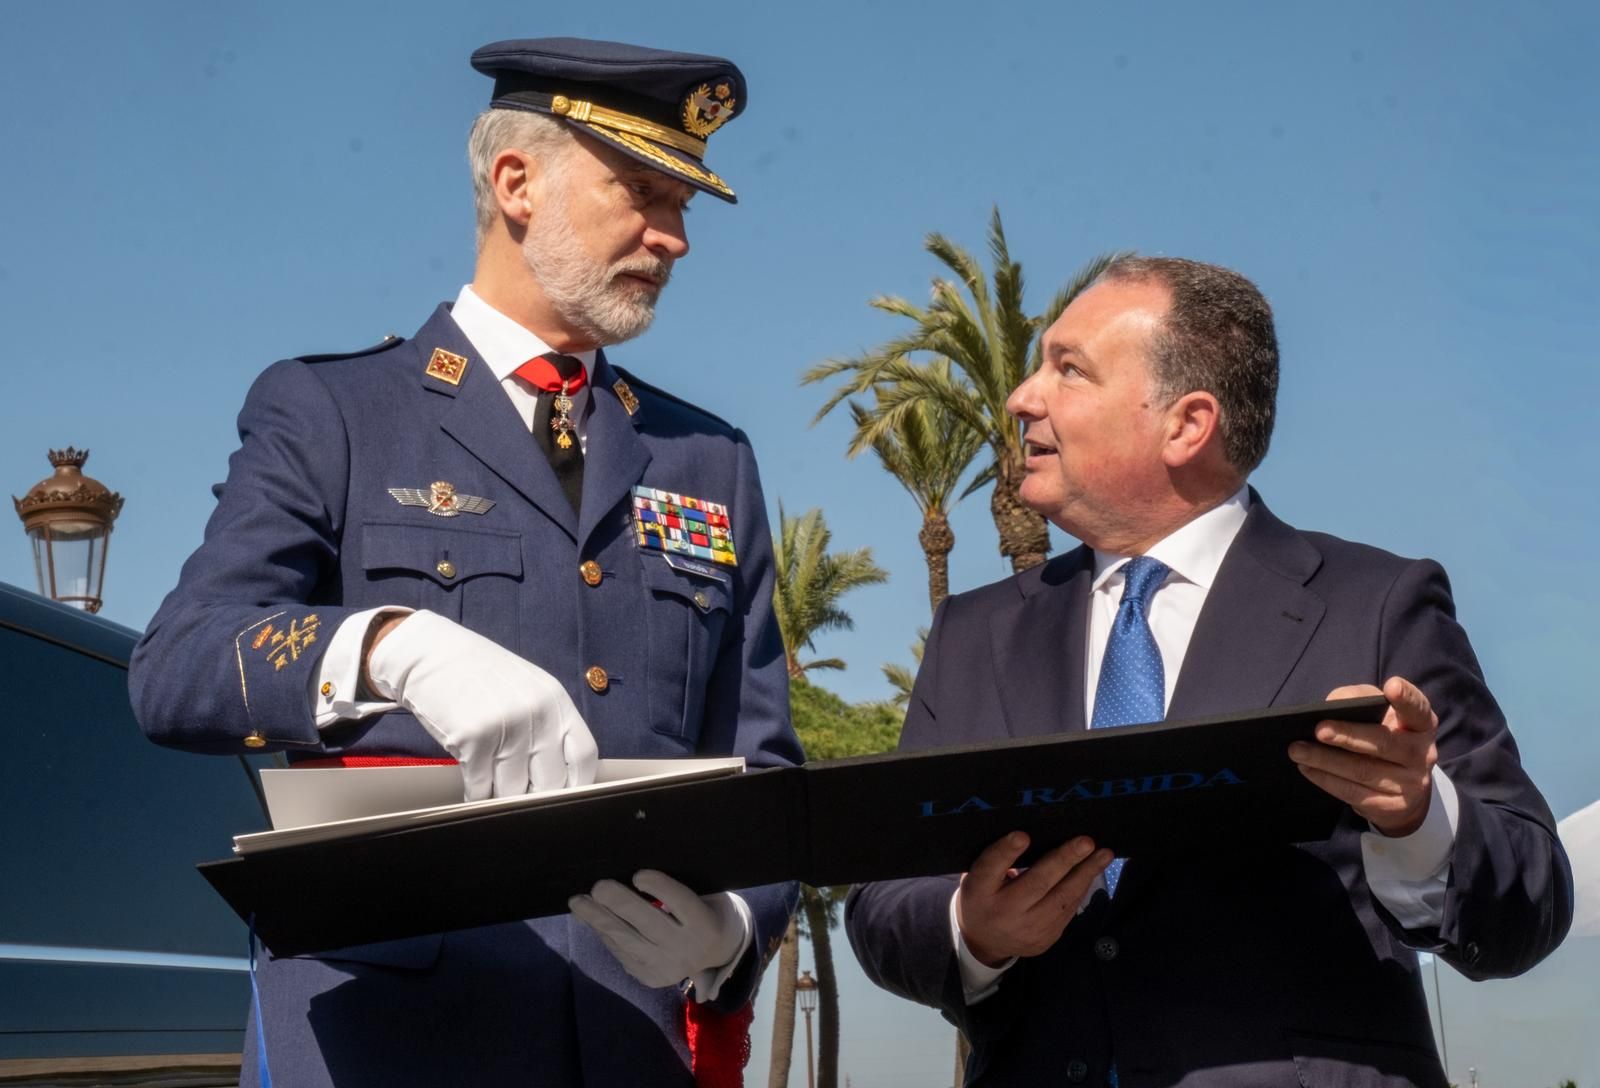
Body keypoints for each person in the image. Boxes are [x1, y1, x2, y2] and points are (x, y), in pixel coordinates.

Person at [129, 37, 800, 1088]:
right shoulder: (337, 413)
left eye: (683, 207)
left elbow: (764, 772)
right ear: (514, 181)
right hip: (385, 1046)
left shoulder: (709, 460)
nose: (672, 238)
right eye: (641, 192)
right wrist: (390, 644)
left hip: (631, 1042)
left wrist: (723, 933)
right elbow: (177, 667)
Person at [844, 257, 1572, 1087]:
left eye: (1068, 370)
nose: (1021, 397)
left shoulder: (1375, 604)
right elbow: (881, 903)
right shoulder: (972, 634)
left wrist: (1418, 817)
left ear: (1187, 425)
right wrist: (974, 930)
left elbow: (1533, 899)